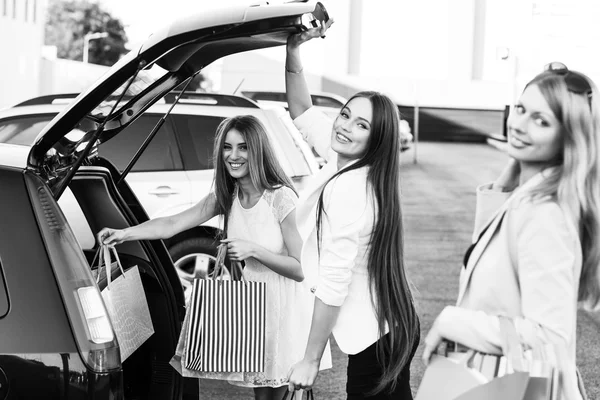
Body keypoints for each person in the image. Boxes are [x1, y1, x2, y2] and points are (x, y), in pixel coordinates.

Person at [97, 115, 328, 400]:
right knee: (262, 396)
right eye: (227, 147)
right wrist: (124, 234)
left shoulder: (279, 198)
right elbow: (172, 224)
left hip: (285, 308)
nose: (233, 156)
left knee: (281, 395)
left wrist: (254, 250)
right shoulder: (226, 195)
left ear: (258, 150)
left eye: (243, 147)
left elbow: (300, 269)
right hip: (254, 306)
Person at [422, 62, 600, 400]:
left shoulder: (544, 214)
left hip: (508, 384)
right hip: (495, 380)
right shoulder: (528, 198)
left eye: (541, 120)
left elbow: (550, 336)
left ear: (568, 137)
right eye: (520, 109)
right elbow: (493, 262)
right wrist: (508, 182)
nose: (518, 125)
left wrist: (452, 322)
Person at [284, 21, 421, 399]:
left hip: (379, 338)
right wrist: (293, 51)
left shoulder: (350, 187)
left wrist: (310, 358)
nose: (344, 127)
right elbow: (302, 111)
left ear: (376, 138)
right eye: (345, 114)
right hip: (391, 325)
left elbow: (334, 280)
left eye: (362, 125)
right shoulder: (346, 162)